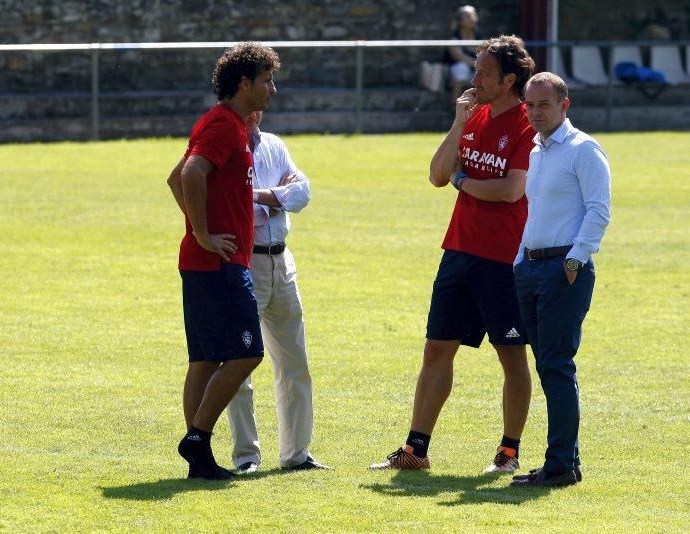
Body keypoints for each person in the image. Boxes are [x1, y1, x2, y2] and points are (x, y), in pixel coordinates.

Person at [369, 35, 536, 473]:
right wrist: (458, 125)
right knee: (436, 350)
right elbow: (437, 175)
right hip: (459, 250)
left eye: (483, 72)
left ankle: (508, 454)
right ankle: (415, 451)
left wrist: (464, 182)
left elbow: (510, 190)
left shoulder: (525, 124)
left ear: (509, 80)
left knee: (511, 355)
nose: (473, 78)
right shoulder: (474, 114)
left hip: (504, 259)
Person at [166, 42, 280, 480]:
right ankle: (197, 438)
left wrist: (199, 231)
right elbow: (190, 174)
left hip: (207, 262)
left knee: (205, 358)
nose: (273, 89)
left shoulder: (228, 124)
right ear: (244, 83)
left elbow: (175, 177)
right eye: (267, 80)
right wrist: (202, 233)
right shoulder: (224, 125)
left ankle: (199, 455)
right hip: (219, 262)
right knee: (247, 353)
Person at [510, 72, 611, 487]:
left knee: (556, 366)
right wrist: (520, 260)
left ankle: (559, 466)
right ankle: (564, 460)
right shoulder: (536, 150)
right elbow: (534, 212)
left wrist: (573, 261)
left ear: (564, 106)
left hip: (562, 271)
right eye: (530, 106)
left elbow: (599, 210)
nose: (534, 113)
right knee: (548, 366)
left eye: (544, 105)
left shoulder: (583, 149)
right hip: (531, 268)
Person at [224, 110, 331, 473]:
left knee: (294, 362)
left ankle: (296, 454)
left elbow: (303, 193)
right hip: (245, 261)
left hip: (282, 262)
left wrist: (262, 196)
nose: (258, 109)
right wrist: (277, 197)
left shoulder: (273, 145)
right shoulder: (226, 148)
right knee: (239, 362)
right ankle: (246, 457)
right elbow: (235, 206)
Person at [443, 5, 480, 103]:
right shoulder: (454, 38)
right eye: (467, 16)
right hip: (455, 71)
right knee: (461, 68)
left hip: (475, 68)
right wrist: (478, 64)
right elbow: (458, 56)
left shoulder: (478, 37)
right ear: (460, 21)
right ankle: (454, 104)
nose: (472, 18)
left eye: (473, 15)